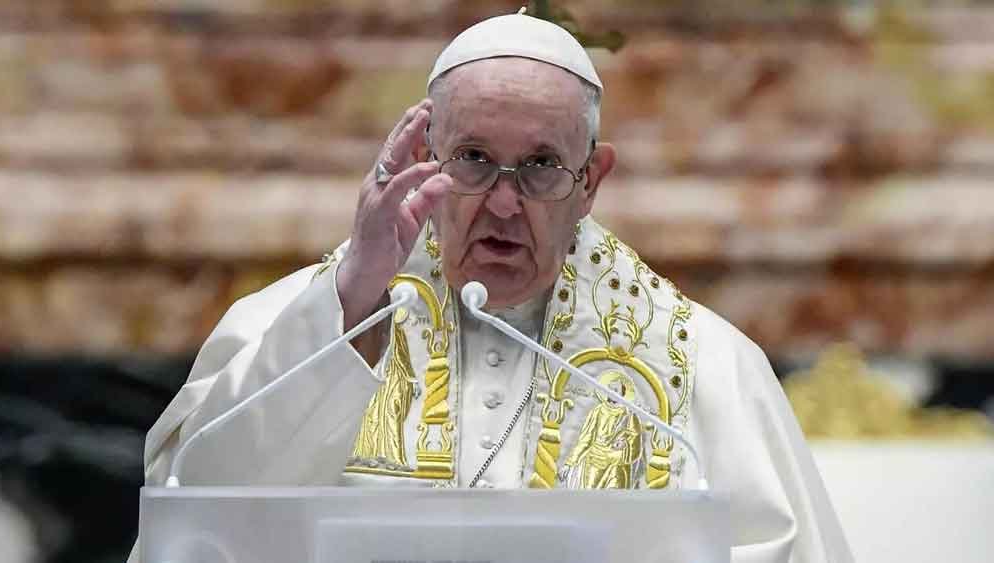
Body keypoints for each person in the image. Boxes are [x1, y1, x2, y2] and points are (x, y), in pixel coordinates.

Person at [129, 11, 852, 563]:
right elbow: (196, 518)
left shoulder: (703, 365)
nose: (503, 204)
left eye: (540, 166)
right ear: (424, 155)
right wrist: (353, 300)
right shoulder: (295, 325)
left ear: (590, 181)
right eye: (473, 158)